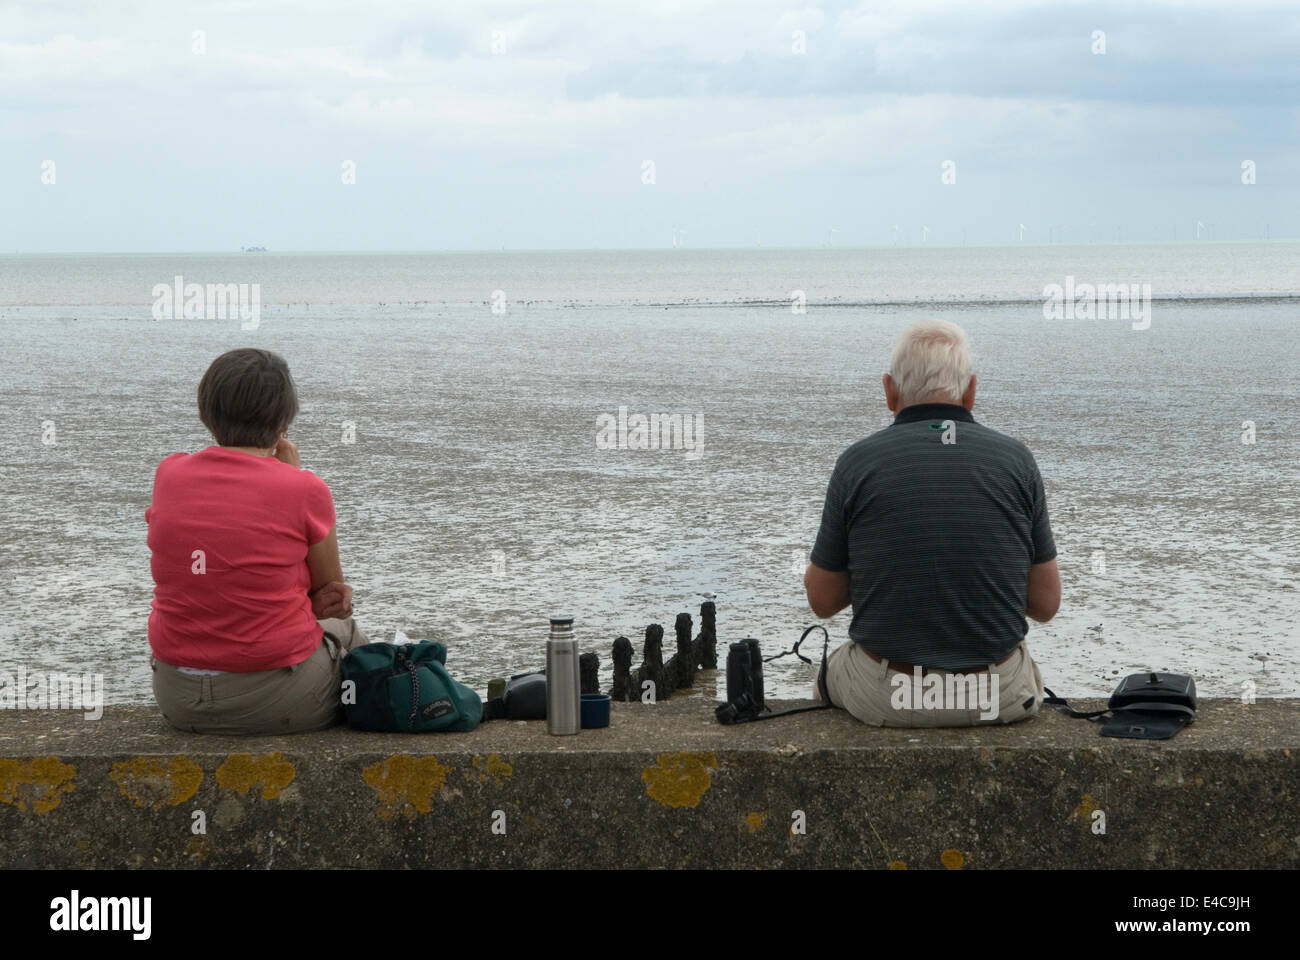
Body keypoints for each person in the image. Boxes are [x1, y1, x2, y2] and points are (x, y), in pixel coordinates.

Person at [805, 319, 1060, 727]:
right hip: (995, 696)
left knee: (827, 677)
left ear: (889, 390)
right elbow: (1046, 605)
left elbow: (822, 601)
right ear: (970, 392)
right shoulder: (1017, 462)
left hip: (888, 696)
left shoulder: (857, 463)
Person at [146, 348, 366, 734]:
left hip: (179, 698)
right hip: (278, 702)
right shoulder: (304, 488)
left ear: (207, 411)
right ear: (285, 419)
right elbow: (332, 596)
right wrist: (292, 477)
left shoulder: (169, 474)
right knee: (349, 634)